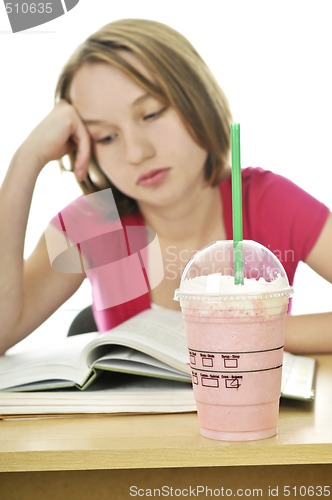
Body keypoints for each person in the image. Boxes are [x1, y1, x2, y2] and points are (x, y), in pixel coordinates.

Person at [0, 18, 331, 355]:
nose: (137, 152)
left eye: (152, 114)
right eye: (107, 137)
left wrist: (260, 331)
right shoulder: (94, 224)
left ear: (198, 99)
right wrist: (27, 159)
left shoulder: (266, 202)